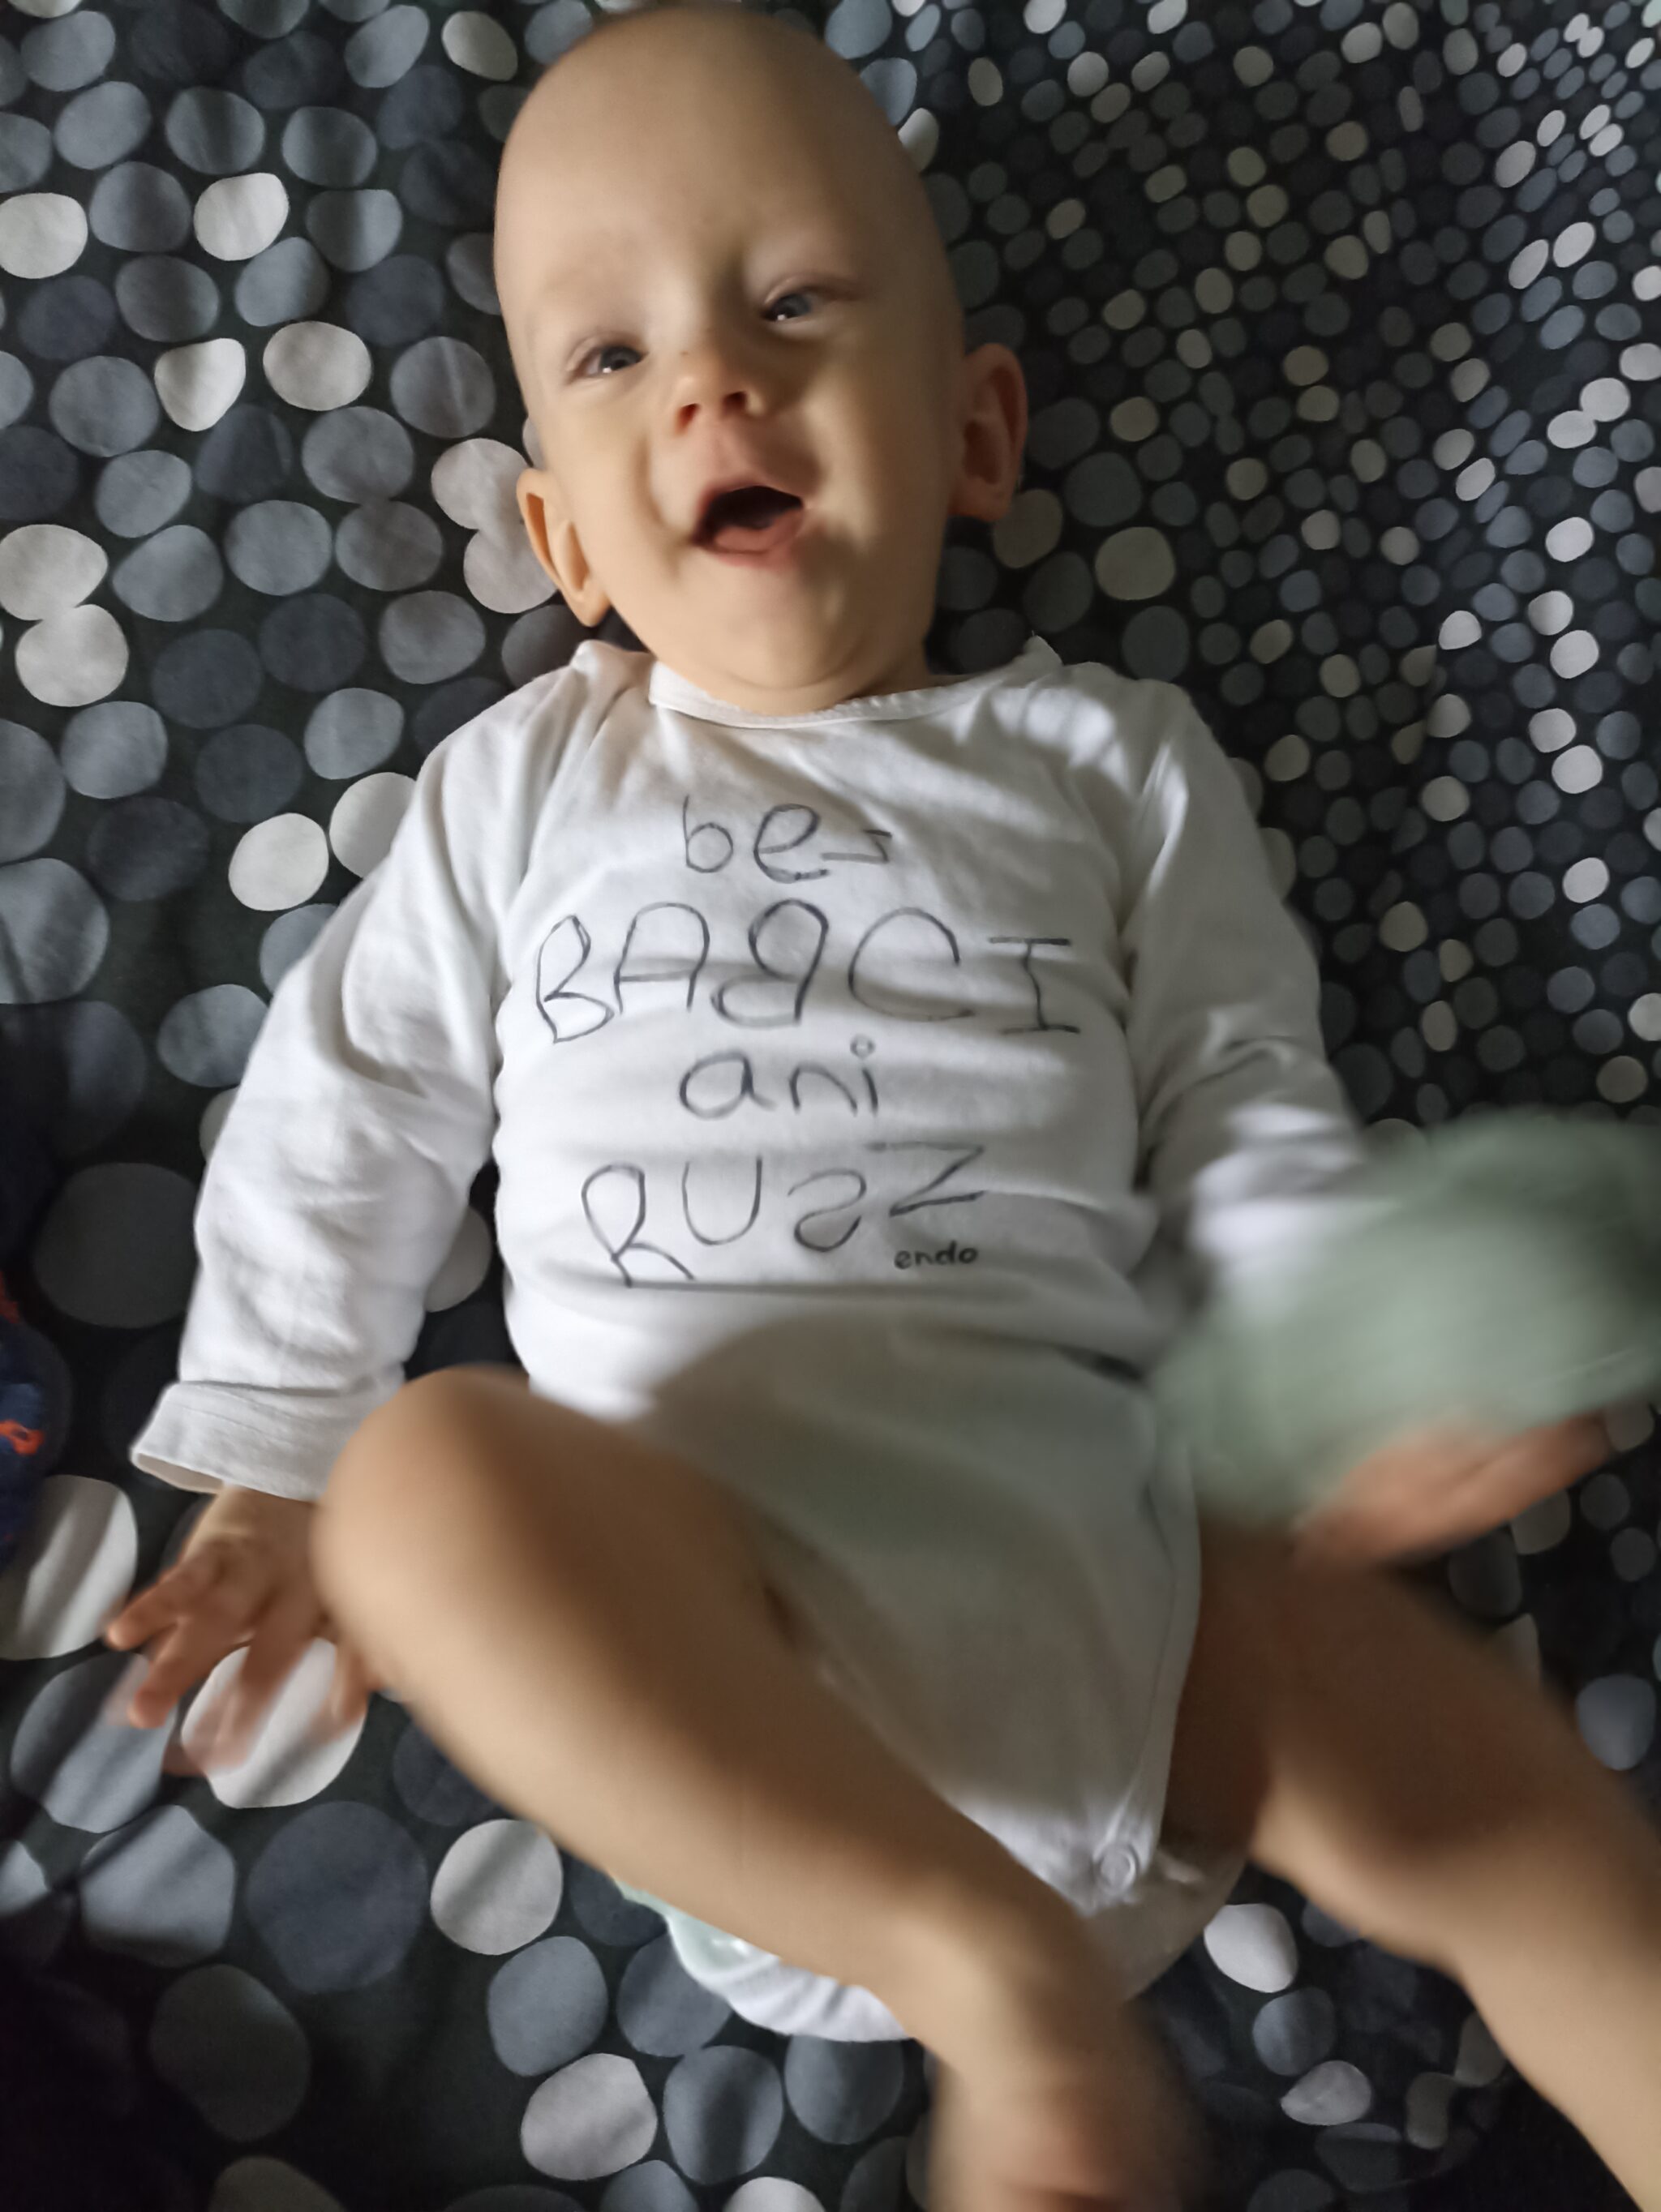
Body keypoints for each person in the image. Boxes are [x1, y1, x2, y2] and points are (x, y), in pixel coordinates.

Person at [101, 7, 1661, 2207]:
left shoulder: (1105, 763)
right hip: (751, 1695)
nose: (715, 385)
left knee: (1518, 1821)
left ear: (974, 430)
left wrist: (1362, 1361)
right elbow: (347, 1097)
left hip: (1135, 1606)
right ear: (562, 535)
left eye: (796, 304)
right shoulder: (532, 782)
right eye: (617, 354)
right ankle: (989, 1982)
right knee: (425, 1482)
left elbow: (1244, 1096)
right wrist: (270, 1454)